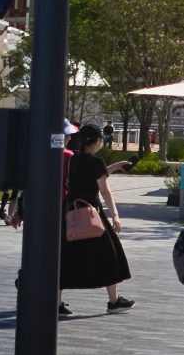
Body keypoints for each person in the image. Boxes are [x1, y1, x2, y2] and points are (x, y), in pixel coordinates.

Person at [57, 125, 134, 317]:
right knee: (109, 254)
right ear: (98, 141)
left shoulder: (73, 159)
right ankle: (114, 301)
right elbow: (104, 189)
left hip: (72, 212)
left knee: (65, 257)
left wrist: (118, 165)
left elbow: (91, 175)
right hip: (92, 212)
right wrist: (115, 215)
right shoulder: (96, 162)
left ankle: (56, 303)